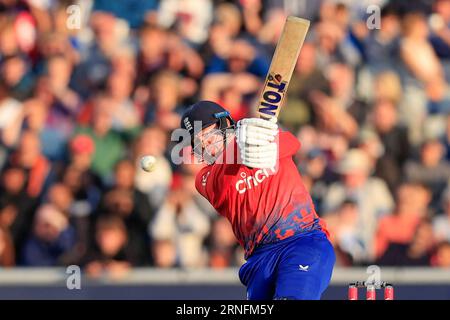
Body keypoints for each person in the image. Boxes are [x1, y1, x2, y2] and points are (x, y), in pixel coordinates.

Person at [180, 100, 335, 300]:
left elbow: (293, 143)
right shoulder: (205, 179)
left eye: (210, 137)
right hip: (260, 260)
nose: (208, 148)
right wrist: (242, 145)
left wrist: (267, 142)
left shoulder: (260, 140)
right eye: (200, 144)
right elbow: (226, 175)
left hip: (302, 242)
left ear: (226, 125)